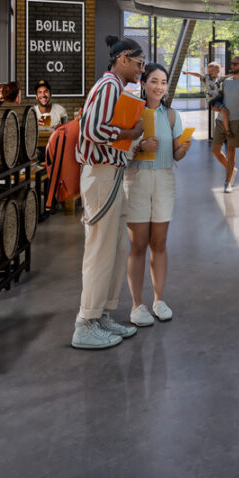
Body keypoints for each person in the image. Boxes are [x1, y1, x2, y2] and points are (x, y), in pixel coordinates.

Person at [71, 35, 148, 349]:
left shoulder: (114, 87)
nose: (141, 70)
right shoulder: (108, 87)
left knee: (115, 248)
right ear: (123, 59)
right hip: (101, 177)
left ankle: (101, 314)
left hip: (110, 175)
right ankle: (85, 323)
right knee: (101, 249)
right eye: (139, 64)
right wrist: (130, 132)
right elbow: (91, 129)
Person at [126, 63, 187, 327]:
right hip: (136, 180)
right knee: (138, 244)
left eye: (163, 82)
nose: (159, 86)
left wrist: (184, 147)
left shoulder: (172, 115)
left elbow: (176, 155)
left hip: (164, 180)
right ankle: (137, 305)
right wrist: (139, 147)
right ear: (143, 83)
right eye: (154, 81)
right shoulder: (131, 114)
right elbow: (120, 152)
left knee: (159, 243)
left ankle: (159, 300)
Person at [216, 56, 239, 190]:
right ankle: (232, 170)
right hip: (220, 119)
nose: (232, 66)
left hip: (236, 120)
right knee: (215, 150)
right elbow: (220, 97)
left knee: (231, 152)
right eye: (232, 63)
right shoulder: (226, 81)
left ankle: (228, 182)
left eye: (235, 64)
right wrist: (218, 106)